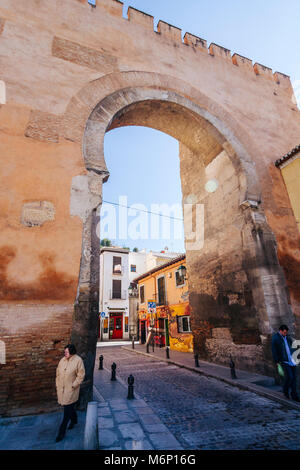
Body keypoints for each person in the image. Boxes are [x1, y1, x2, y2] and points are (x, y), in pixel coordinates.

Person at [55, 344, 85, 442]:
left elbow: (81, 375)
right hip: (62, 390)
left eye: (66, 352)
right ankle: (74, 419)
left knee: (66, 413)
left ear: (72, 352)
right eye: (65, 352)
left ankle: (61, 433)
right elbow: (58, 374)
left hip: (71, 390)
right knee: (69, 408)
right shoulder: (62, 360)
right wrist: (57, 384)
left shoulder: (78, 360)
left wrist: (73, 385)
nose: (65, 353)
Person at [271, 325, 299, 402]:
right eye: (284, 332)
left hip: (292, 360)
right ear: (280, 331)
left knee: (294, 378)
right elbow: (274, 350)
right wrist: (276, 361)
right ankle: (286, 390)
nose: (285, 333)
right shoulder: (275, 338)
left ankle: (294, 395)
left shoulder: (288, 337)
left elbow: (294, 344)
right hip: (284, 361)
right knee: (290, 377)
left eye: (286, 332)